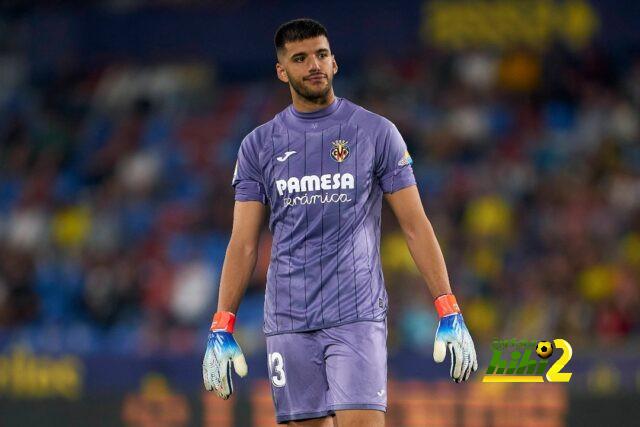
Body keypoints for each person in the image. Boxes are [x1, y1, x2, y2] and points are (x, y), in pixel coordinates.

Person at [202, 18, 478, 426]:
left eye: (321, 54)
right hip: (288, 321)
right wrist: (222, 323)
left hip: (356, 313)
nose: (313, 64)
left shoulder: (376, 133)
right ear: (283, 71)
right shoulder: (259, 146)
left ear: (335, 63)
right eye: (300, 58)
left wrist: (448, 308)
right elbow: (243, 243)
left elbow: (416, 226)